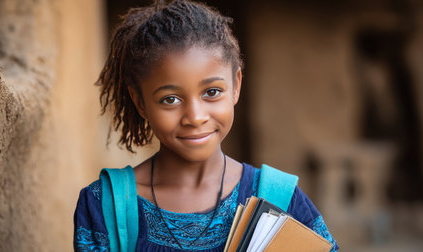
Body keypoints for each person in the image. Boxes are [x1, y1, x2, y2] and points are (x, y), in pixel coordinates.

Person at [73, 0, 339, 251]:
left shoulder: (280, 199)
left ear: (236, 85)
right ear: (140, 102)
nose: (196, 116)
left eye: (211, 92)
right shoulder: (105, 207)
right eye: (170, 99)